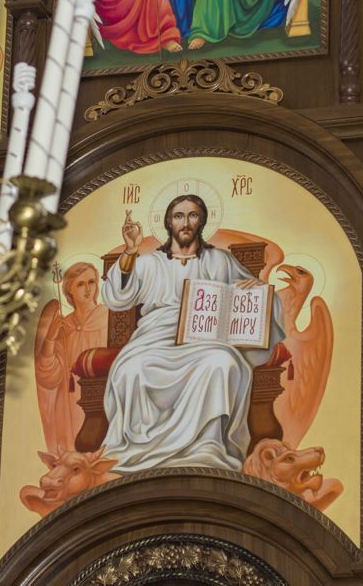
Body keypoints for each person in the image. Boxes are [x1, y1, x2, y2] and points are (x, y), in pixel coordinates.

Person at [99, 195, 285, 473]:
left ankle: (208, 446)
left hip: (206, 339)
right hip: (155, 335)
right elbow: (116, 296)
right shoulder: (150, 263)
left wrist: (255, 288)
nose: (185, 223)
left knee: (222, 363)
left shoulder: (220, 260)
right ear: (168, 222)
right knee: (130, 369)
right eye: (178, 216)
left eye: (193, 215)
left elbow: (257, 297)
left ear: (202, 221)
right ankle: (136, 451)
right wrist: (130, 250)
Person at [34, 262, 108, 452]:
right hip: (69, 401)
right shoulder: (63, 327)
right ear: (69, 291)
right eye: (80, 284)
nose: (88, 289)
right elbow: (48, 376)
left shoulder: (108, 318)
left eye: (91, 282)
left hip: (100, 396)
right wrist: (50, 339)